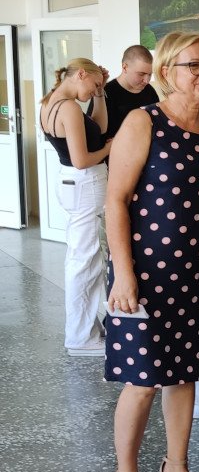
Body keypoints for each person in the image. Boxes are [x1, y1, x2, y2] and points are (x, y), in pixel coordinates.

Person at [104, 32, 199, 472]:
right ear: (166, 72)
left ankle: (175, 466)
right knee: (142, 381)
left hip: (193, 273)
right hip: (144, 273)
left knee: (183, 376)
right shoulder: (144, 121)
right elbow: (116, 200)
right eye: (193, 65)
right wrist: (123, 274)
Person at [40, 57, 111, 356]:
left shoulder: (50, 101)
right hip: (85, 183)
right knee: (85, 262)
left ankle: (87, 330)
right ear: (81, 73)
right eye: (94, 84)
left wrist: (100, 93)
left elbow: (98, 128)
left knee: (85, 258)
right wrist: (112, 147)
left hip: (74, 183)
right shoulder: (68, 107)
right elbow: (83, 159)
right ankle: (80, 337)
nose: (94, 89)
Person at [90, 44, 158, 140]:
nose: (146, 80)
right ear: (125, 67)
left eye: (150, 74)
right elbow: (94, 132)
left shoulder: (150, 91)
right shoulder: (104, 92)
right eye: (141, 74)